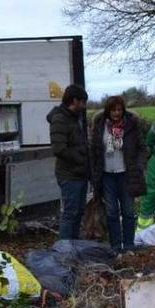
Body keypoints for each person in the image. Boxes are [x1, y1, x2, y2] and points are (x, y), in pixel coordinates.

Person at [91, 95, 147, 252]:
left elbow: (142, 148)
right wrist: (94, 173)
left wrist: (139, 166)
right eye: (113, 110)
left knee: (128, 211)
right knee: (111, 212)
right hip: (107, 175)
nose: (116, 113)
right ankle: (115, 246)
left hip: (126, 175)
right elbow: (94, 150)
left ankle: (129, 245)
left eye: (119, 110)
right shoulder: (100, 125)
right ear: (108, 111)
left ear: (123, 110)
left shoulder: (131, 126)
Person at [47, 84, 90, 239]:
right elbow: (59, 149)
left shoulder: (75, 119)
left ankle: (74, 244)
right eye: (83, 102)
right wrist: (80, 158)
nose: (84, 106)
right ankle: (64, 248)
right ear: (74, 101)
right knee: (70, 213)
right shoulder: (60, 119)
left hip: (79, 173)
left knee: (78, 211)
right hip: (69, 175)